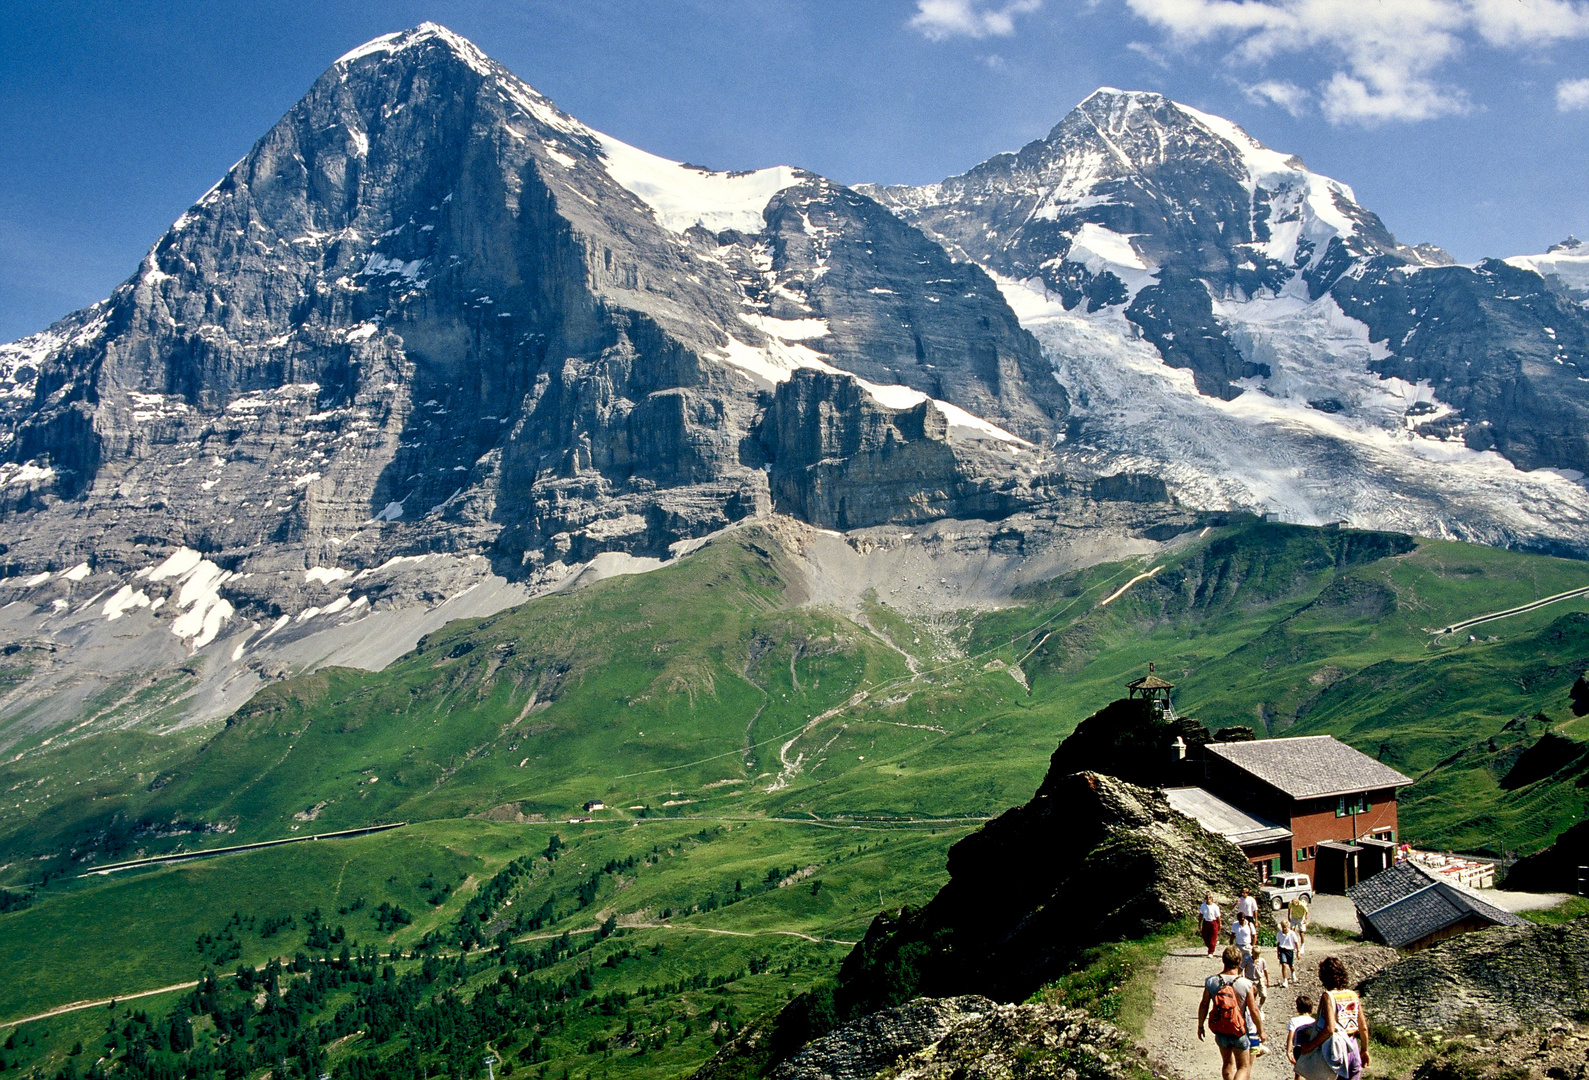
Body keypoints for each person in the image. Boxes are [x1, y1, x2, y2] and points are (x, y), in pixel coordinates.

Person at [1294, 956, 1370, 1080]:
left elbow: (1330, 1028)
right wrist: (1364, 1050)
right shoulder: (1353, 995)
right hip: (1354, 1047)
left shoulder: (1328, 996)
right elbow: (1364, 1028)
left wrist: (1310, 1046)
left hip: (1337, 1048)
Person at [1199, 945, 1267, 1080]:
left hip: (1221, 1030)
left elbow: (1204, 1005)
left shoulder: (1211, 981)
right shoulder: (1246, 984)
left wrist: (1200, 1025)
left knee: (1227, 1063)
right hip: (1239, 1030)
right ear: (1240, 962)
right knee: (1243, 1067)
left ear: (1223, 960)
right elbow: (1253, 1010)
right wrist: (1261, 1030)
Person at [1286, 995, 1317, 1080]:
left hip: (1299, 1048)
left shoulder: (1294, 1020)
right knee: (1311, 1071)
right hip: (1312, 1048)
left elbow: (1291, 1036)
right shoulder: (1314, 1021)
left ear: (1297, 1009)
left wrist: (1289, 1051)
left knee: (1299, 1072)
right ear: (1312, 1009)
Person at [1277, 920, 1300, 987]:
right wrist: (1278, 953)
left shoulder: (1292, 933)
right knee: (1284, 965)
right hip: (1282, 950)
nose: (1284, 929)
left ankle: (1293, 974)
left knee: (1291, 965)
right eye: (1283, 927)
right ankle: (1285, 981)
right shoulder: (1279, 934)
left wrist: (1298, 952)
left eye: (1285, 927)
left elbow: (1296, 942)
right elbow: (1278, 944)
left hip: (1290, 950)